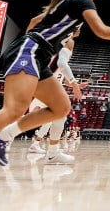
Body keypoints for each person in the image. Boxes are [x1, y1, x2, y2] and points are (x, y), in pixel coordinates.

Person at [0, 0, 110, 166]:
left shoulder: (71, 0)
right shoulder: (82, 0)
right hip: (30, 51)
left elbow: (34, 22)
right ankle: (5, 137)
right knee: (14, 109)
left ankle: (6, 136)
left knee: (61, 108)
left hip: (39, 56)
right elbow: (101, 31)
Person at [25, 26, 88, 164]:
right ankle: (52, 153)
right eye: (79, 26)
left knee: (52, 117)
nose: (80, 29)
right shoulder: (69, 41)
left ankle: (36, 144)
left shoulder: (59, 41)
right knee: (58, 114)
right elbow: (62, 64)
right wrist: (75, 84)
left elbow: (61, 71)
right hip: (47, 82)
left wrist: (73, 83)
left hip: (47, 81)